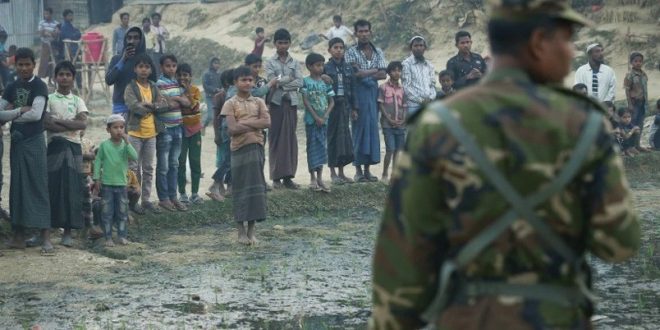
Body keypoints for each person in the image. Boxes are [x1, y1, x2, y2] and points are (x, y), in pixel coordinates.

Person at [372, 1, 640, 328]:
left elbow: (401, 262)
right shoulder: (584, 125)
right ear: (539, 41)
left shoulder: (438, 125)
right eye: (567, 40)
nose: (572, 53)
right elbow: (619, 243)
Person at [0, 48, 52, 253]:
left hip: (35, 141)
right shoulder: (12, 86)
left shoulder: (40, 85)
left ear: (34, 64)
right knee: (18, 187)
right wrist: (17, 111)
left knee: (38, 185)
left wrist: (10, 116)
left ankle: (45, 236)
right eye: (20, 64)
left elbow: (36, 115)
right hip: (18, 142)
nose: (23, 68)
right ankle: (18, 236)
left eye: (27, 64)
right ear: (15, 65)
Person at [221, 66, 271, 245]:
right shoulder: (230, 103)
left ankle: (251, 231)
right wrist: (254, 124)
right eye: (243, 80)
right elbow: (232, 129)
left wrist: (245, 123)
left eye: (250, 80)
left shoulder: (259, 102)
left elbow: (267, 122)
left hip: (256, 147)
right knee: (240, 190)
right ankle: (240, 232)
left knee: (256, 191)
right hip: (239, 150)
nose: (247, 83)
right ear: (235, 82)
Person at [44, 61, 88, 247]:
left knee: (72, 188)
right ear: (55, 78)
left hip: (74, 147)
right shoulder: (49, 99)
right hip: (55, 147)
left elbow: (82, 124)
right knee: (52, 187)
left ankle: (68, 233)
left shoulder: (78, 100)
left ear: (73, 78)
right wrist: (70, 123)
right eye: (61, 74)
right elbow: (47, 124)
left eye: (68, 75)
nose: (64, 78)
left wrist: (60, 122)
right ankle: (48, 230)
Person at [125, 54, 170, 215]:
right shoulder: (131, 87)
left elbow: (164, 104)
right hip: (135, 133)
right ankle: (133, 200)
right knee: (133, 168)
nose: (144, 70)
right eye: (141, 66)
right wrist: (152, 106)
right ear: (135, 69)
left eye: (147, 67)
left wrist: (149, 105)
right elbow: (133, 106)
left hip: (151, 133)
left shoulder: (153, 86)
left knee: (149, 168)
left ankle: (146, 200)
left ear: (151, 70)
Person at [345, 19, 386, 182]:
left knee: (371, 130)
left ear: (371, 32)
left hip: (373, 94)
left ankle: (368, 170)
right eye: (360, 31)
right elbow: (355, 74)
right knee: (358, 130)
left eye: (366, 31)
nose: (363, 34)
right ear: (355, 34)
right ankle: (358, 170)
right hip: (357, 94)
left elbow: (384, 74)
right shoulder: (351, 52)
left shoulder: (378, 51)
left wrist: (365, 72)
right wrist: (375, 70)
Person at [265, 28, 303, 189]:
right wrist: (289, 79)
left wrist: (282, 83)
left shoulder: (294, 62)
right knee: (275, 140)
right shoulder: (270, 62)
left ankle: (288, 177)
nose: (283, 45)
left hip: (291, 104)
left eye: (286, 42)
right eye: (280, 43)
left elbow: (300, 82)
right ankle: (276, 178)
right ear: (275, 44)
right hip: (276, 104)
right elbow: (271, 81)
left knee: (290, 140)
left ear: (289, 43)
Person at [93, 114, 138, 247]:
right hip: (107, 185)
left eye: (121, 127)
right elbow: (98, 162)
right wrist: (96, 178)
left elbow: (134, 156)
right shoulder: (104, 145)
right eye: (115, 127)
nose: (119, 130)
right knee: (107, 212)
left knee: (122, 212)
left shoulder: (125, 146)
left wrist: (128, 142)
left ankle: (122, 236)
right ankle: (108, 238)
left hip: (121, 185)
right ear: (108, 130)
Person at [155, 54, 190, 212]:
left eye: (174, 66)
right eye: (168, 66)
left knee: (174, 164)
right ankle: (163, 198)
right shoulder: (159, 84)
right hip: (165, 128)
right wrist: (178, 99)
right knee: (163, 165)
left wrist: (176, 99)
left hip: (178, 127)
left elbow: (187, 102)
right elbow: (164, 104)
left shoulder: (177, 82)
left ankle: (173, 196)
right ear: (162, 67)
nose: (171, 68)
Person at [106, 27, 158, 120]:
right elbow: (109, 80)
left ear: (141, 40)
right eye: (129, 38)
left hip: (142, 108)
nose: (132, 41)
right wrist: (123, 59)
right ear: (125, 40)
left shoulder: (146, 60)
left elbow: (153, 82)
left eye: (136, 38)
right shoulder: (117, 59)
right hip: (121, 108)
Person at [324, 37, 356, 184]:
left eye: (341, 47)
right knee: (332, 138)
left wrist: (354, 108)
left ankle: (342, 172)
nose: (338, 50)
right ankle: (332, 173)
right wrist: (321, 76)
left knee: (344, 139)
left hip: (345, 106)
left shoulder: (348, 67)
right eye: (335, 47)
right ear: (329, 50)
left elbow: (353, 89)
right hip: (331, 106)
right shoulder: (325, 68)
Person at [302, 53, 335, 192]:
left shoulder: (325, 83)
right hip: (311, 121)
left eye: (322, 65)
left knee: (322, 148)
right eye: (317, 65)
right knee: (312, 147)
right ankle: (312, 178)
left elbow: (332, 101)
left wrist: (325, 116)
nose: (321, 68)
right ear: (309, 67)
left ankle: (320, 177)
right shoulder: (305, 82)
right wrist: (316, 117)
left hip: (324, 121)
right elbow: (305, 100)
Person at [176, 63, 204, 204]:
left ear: (190, 77)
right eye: (180, 75)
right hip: (180, 130)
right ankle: (182, 194)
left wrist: (187, 92)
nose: (182, 78)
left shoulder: (195, 90)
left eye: (185, 75)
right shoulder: (174, 91)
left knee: (195, 161)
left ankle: (194, 193)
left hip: (195, 130)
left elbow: (194, 107)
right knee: (180, 162)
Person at [207, 69, 233, 201]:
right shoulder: (221, 96)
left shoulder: (233, 95)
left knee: (230, 160)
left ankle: (228, 187)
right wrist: (217, 134)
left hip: (232, 132)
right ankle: (216, 184)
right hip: (225, 133)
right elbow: (216, 118)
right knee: (227, 161)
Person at [378, 61, 406, 182]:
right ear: (389, 73)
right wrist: (389, 119)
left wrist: (403, 119)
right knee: (390, 149)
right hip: (387, 124)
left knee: (398, 151)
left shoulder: (402, 89)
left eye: (399, 70)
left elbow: (404, 106)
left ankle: (394, 176)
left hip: (400, 124)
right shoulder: (383, 87)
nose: (397, 73)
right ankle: (384, 174)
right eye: (394, 70)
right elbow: (381, 105)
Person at [402, 36, 436, 116]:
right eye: (416, 46)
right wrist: (421, 101)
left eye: (421, 45)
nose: (419, 48)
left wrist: (431, 98)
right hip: (414, 106)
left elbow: (432, 85)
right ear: (411, 48)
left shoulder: (429, 65)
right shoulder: (406, 64)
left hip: (429, 105)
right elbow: (406, 87)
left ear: (425, 48)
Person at [624, 52, 649, 152]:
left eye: (640, 61)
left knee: (640, 124)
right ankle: (630, 147)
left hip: (643, 103)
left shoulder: (643, 74)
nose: (638, 63)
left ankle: (637, 145)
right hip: (634, 104)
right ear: (631, 62)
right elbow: (627, 90)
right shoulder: (629, 75)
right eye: (636, 61)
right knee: (632, 124)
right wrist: (629, 104)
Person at [37, 8, 59, 84]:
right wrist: (50, 32)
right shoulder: (41, 23)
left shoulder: (56, 23)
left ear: (51, 14)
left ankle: (52, 79)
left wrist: (47, 32)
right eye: (45, 14)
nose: (46, 15)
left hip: (53, 45)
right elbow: (41, 33)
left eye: (47, 13)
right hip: (45, 44)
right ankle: (39, 79)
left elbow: (56, 34)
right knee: (44, 61)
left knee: (53, 62)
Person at [202, 57, 222, 128]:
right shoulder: (206, 74)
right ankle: (203, 126)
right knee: (210, 116)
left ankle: (217, 131)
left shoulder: (220, 74)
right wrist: (215, 89)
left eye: (218, 63)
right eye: (215, 63)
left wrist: (221, 89)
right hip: (210, 97)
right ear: (211, 64)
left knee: (219, 116)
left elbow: (222, 84)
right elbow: (205, 86)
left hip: (218, 97)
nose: (217, 65)